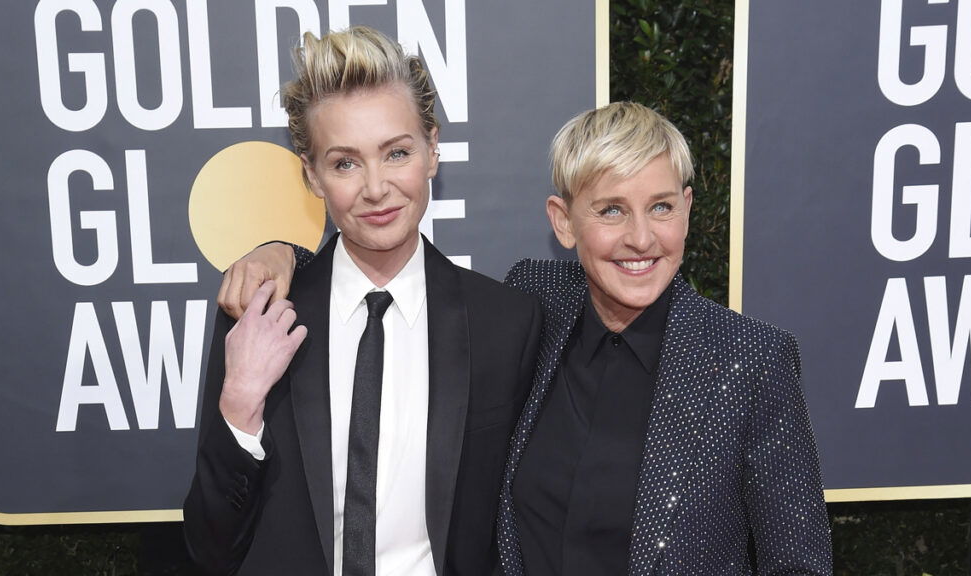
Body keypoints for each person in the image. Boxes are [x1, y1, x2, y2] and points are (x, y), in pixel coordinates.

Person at [219, 102, 832, 574]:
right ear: (563, 223)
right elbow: (365, 263)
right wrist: (281, 254)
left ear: (688, 210)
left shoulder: (749, 361)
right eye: (612, 210)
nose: (642, 238)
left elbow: (798, 562)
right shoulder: (535, 304)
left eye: (662, 207)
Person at [183, 26, 542, 576]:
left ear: (432, 150)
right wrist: (239, 408)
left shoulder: (505, 322)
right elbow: (210, 546)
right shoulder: (261, 311)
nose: (375, 188)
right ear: (312, 175)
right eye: (345, 163)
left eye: (396, 153)